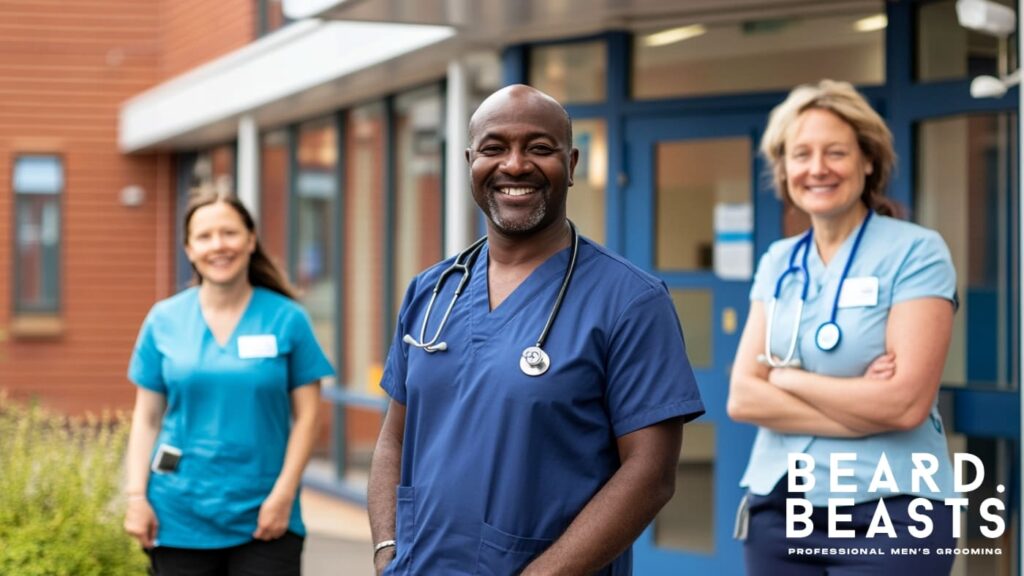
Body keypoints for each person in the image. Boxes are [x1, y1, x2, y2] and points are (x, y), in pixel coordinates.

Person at [366, 84, 705, 575]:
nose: (515, 165)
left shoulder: (630, 300)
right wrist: (387, 551)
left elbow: (649, 475)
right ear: (470, 162)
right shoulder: (432, 290)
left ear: (571, 165)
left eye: (539, 148)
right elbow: (393, 439)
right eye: (494, 148)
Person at [727, 79, 959, 575]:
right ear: (784, 168)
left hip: (892, 512)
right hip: (779, 508)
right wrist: (862, 407)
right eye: (801, 154)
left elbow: (905, 404)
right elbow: (743, 397)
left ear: (868, 160)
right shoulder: (778, 261)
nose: (817, 168)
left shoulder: (916, 252)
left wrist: (787, 380)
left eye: (835, 152)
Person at [123, 189, 334, 576]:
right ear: (189, 249)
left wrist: (284, 494)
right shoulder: (163, 320)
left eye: (229, 233)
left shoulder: (288, 319)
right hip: (178, 514)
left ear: (251, 240)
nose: (218, 245)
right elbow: (147, 418)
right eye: (204, 236)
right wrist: (136, 496)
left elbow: (308, 418)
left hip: (266, 513)